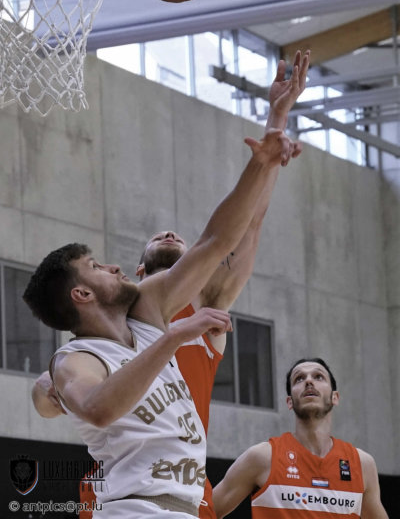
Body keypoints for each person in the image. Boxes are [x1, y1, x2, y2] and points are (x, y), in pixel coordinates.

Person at [30, 51, 310, 519]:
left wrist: (270, 142)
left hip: (182, 491)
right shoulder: (128, 325)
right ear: (142, 273)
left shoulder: (189, 302)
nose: (112, 267)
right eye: (100, 266)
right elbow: (80, 399)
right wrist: (48, 389)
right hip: (126, 496)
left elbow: (232, 233)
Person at [212, 358, 389, 519]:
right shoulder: (262, 457)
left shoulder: (362, 464)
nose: (309, 381)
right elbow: (206, 511)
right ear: (289, 401)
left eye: (318, 376)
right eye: (299, 379)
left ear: (335, 397)